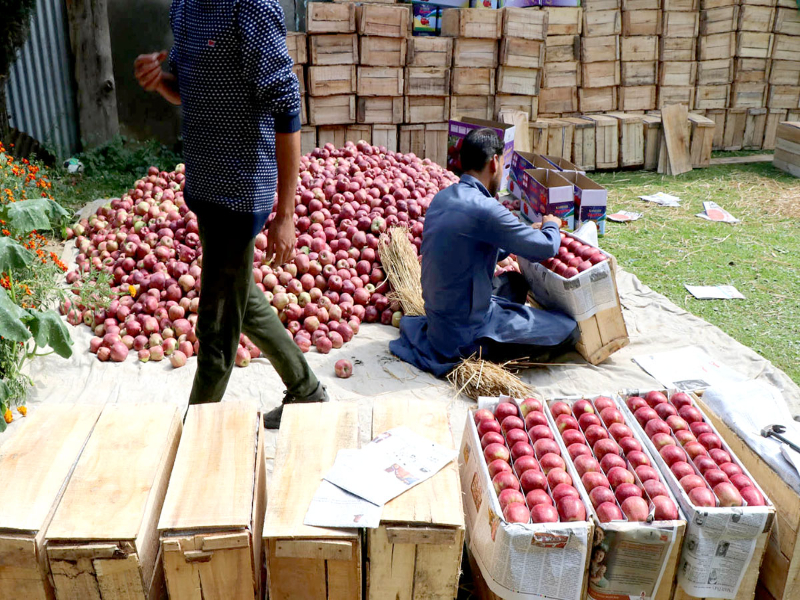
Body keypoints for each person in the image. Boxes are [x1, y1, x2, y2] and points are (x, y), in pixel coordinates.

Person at [134, 0, 326, 428]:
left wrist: (286, 213)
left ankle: (192, 434)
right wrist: (157, 81)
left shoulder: (251, 8)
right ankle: (307, 390)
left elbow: (287, 107)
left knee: (216, 333)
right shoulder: (185, 6)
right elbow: (185, 87)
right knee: (242, 296)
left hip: (240, 193)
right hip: (204, 185)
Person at [390, 128, 579, 376]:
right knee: (568, 330)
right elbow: (546, 247)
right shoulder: (486, 208)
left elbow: (483, 246)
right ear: (494, 162)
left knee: (514, 283)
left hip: (439, 323)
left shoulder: (443, 197)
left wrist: (520, 233)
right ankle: (492, 350)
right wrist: (551, 224)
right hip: (464, 335)